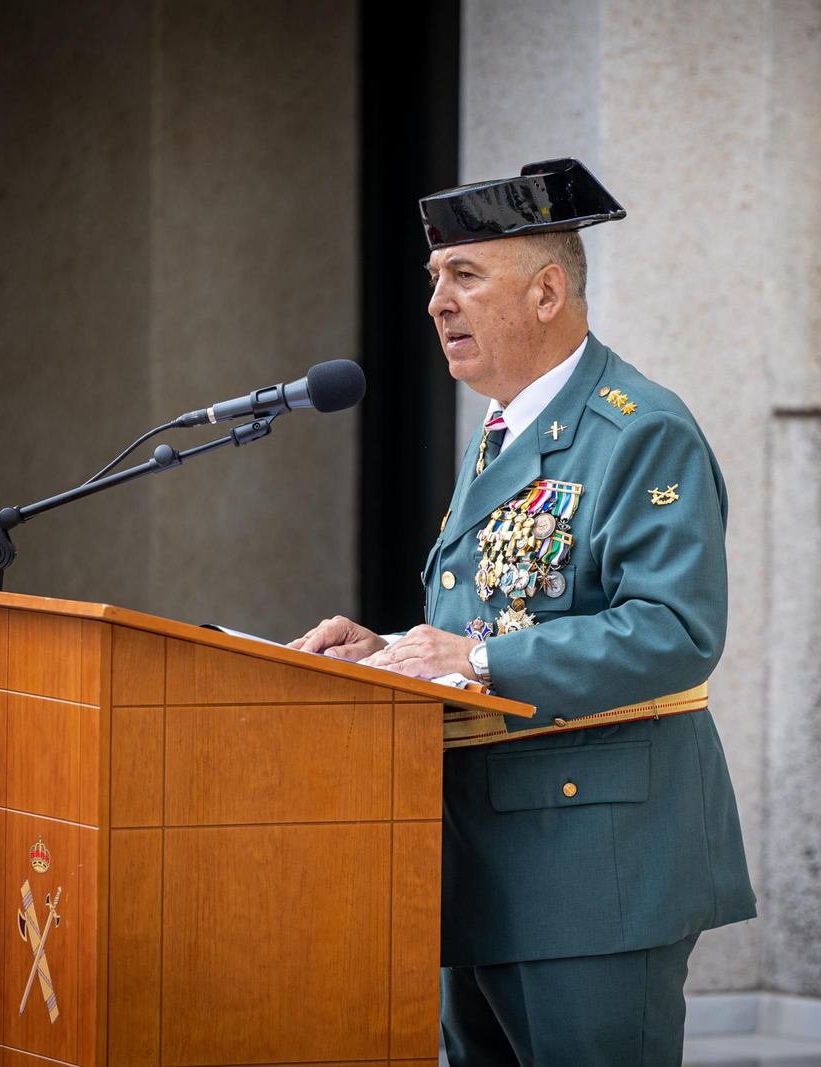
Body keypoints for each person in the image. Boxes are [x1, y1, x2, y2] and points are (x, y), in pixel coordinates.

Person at [291, 157, 754, 1065]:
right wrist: (393, 648)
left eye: (465, 276)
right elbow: (497, 619)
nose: (436, 303)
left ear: (548, 292)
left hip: (594, 867)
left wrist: (467, 660)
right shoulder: (505, 428)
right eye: (435, 280)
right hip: (485, 858)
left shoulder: (638, 429)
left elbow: (677, 631)